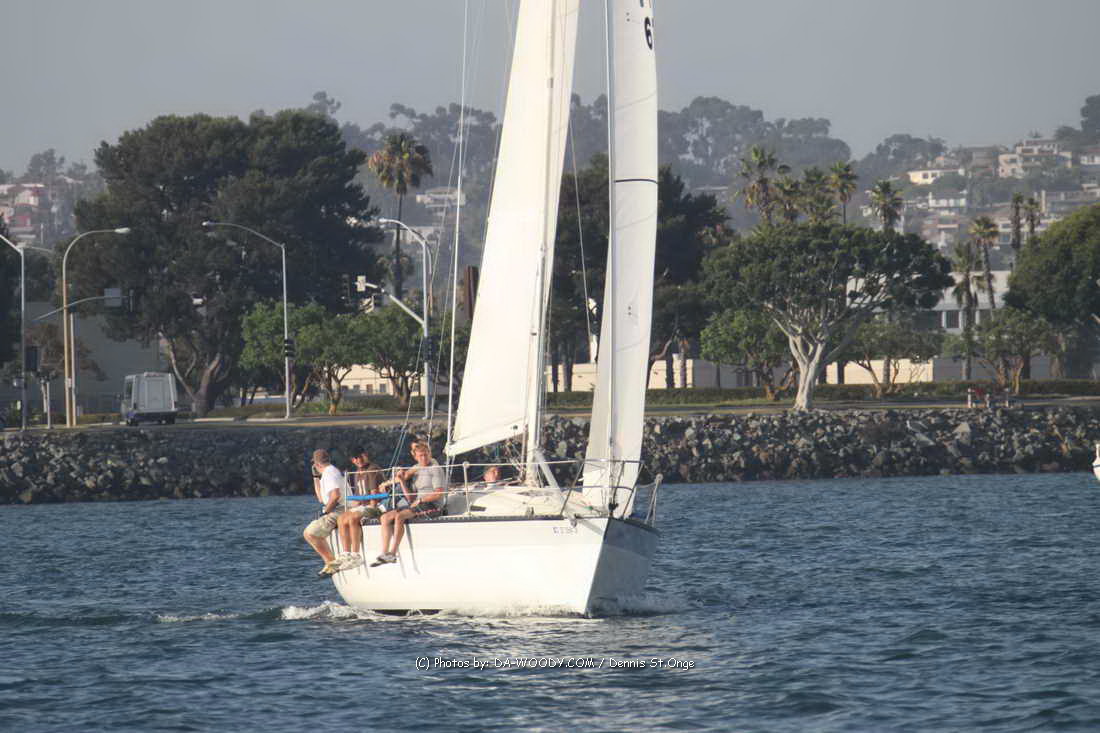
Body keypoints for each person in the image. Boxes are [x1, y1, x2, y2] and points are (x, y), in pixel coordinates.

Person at [371, 440, 446, 566]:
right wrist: (399, 481)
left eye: (426, 455)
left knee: (400, 516)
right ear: (415, 457)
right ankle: (384, 552)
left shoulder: (435, 469)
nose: (424, 458)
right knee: (385, 517)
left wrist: (421, 500)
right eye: (420, 456)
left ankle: (392, 553)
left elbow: (439, 493)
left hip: (432, 505)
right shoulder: (417, 468)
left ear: (430, 454)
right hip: (417, 503)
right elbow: (409, 496)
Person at [334, 447, 384, 570]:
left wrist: (371, 508)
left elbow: (374, 493)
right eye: (355, 458)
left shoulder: (372, 469)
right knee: (341, 518)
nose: (359, 460)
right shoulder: (357, 473)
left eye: (361, 456)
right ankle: (346, 553)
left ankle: (356, 555)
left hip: (377, 505)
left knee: (353, 518)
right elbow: (359, 497)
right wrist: (352, 508)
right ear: (352, 460)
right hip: (363, 505)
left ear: (366, 455)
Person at [301, 448, 347, 576]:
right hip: (336, 507)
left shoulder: (329, 473)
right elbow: (321, 498)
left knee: (310, 533)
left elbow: (335, 495)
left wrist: (325, 512)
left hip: (339, 509)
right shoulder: (329, 472)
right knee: (313, 529)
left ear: (316, 464)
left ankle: (331, 563)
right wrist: (316, 477)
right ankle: (330, 563)